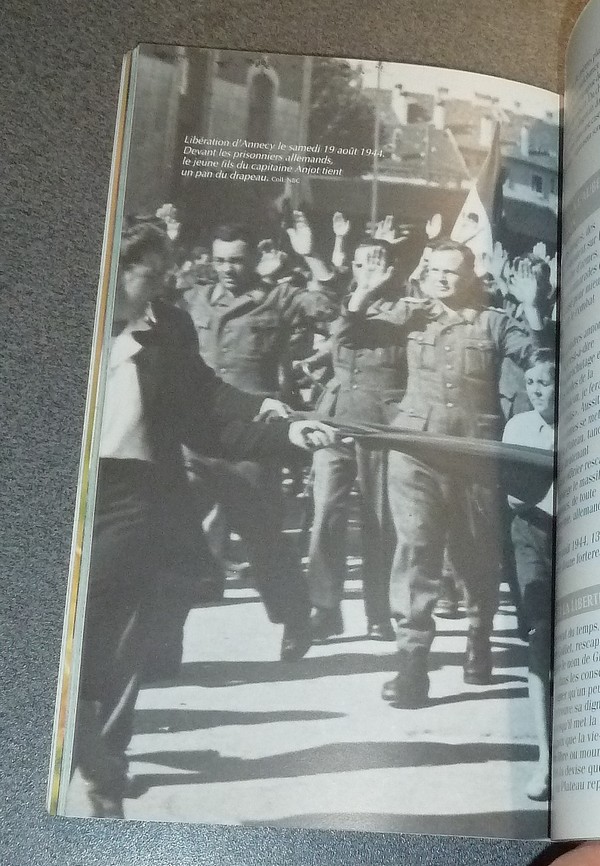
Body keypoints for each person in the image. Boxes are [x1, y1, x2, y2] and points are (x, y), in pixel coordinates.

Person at [70, 217, 340, 818]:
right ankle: (86, 757)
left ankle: (105, 777)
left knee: (120, 642)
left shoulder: (166, 325)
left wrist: (288, 429)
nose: (165, 283)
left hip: (135, 497)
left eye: (168, 272)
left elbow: (207, 407)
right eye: (153, 273)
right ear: (115, 269)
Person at [338, 238, 553, 708]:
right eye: (434, 269)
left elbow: (539, 361)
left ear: (471, 277)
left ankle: (479, 636)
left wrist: (534, 310)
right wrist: (363, 292)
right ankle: (411, 666)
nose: (441, 278)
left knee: (475, 558)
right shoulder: (411, 315)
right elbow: (353, 338)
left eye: (452, 272)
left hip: (474, 460)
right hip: (415, 454)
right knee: (416, 551)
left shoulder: (494, 323)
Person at [177, 218, 338, 656]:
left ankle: (294, 620)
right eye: (221, 260)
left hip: (253, 439)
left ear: (254, 260)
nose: (228, 269)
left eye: (237, 260)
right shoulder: (194, 297)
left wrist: (311, 256)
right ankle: (163, 639)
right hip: (197, 434)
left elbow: (327, 307)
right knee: (174, 533)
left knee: (263, 537)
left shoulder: (277, 298)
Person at [306, 235, 406, 641]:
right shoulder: (341, 303)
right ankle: (325, 607)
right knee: (326, 516)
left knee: (379, 522)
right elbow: (343, 334)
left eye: (377, 262)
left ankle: (379, 612)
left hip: (382, 426)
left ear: (392, 269)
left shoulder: (404, 307)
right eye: (361, 263)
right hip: (336, 421)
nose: (368, 271)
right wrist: (360, 293)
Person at [503, 348, 555, 801]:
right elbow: (511, 495)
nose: (539, 393)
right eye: (532, 384)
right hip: (531, 534)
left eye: (548, 383)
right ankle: (545, 760)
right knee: (541, 639)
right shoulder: (518, 428)